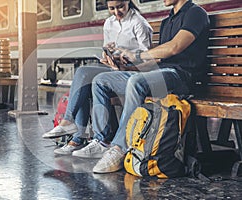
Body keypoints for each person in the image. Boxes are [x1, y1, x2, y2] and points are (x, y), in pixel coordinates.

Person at [90, 0, 210, 173]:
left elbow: (174, 47)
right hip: (160, 73)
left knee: (136, 82)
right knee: (101, 80)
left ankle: (119, 148)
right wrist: (127, 67)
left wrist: (137, 55)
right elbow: (158, 60)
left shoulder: (195, 13)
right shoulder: (167, 21)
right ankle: (103, 141)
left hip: (183, 76)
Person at [42, 0, 153, 156]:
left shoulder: (138, 23)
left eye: (120, 7)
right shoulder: (109, 23)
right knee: (82, 73)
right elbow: (107, 47)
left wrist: (126, 61)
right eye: (111, 8)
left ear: (128, 2)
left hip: (132, 71)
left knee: (89, 79)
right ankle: (74, 131)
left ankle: (78, 134)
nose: (116, 12)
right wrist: (108, 57)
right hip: (114, 68)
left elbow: (148, 59)